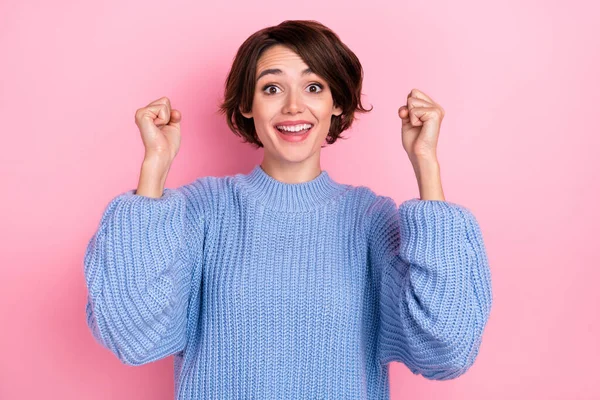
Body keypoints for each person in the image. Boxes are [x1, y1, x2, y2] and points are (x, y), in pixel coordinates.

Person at [83, 19, 493, 400]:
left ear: (337, 104)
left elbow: (448, 344)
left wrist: (426, 165)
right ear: (247, 105)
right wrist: (154, 168)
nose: (294, 106)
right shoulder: (203, 212)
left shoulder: (371, 220)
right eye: (272, 88)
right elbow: (131, 333)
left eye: (314, 87)